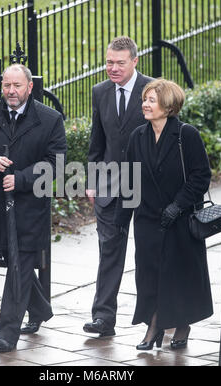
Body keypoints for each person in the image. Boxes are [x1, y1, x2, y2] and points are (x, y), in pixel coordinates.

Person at [0, 64, 67, 352]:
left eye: (17, 85)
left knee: (19, 267)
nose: (11, 91)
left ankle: (7, 335)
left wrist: (20, 179)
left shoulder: (50, 119)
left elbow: (56, 163)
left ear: (29, 87)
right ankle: (41, 309)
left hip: (31, 207)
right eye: (6, 85)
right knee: (13, 259)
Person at [114, 78, 213, 350]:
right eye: (144, 99)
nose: (144, 105)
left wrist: (178, 205)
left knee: (178, 277)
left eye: (151, 100)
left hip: (179, 220)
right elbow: (129, 181)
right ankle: (154, 324)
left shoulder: (186, 135)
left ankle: (182, 325)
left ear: (168, 106)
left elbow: (201, 176)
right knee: (149, 276)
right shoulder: (138, 136)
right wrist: (121, 221)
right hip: (147, 221)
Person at [83, 36, 153, 337]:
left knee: (151, 253)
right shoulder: (100, 91)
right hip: (111, 187)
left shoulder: (153, 90)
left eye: (119, 63)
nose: (112, 68)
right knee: (109, 251)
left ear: (135, 62)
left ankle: (157, 318)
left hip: (149, 187)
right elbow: (96, 142)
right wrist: (91, 182)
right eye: (109, 62)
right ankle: (102, 318)